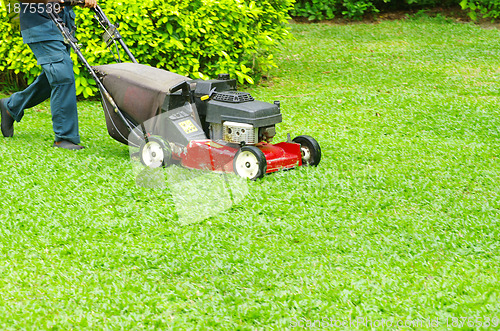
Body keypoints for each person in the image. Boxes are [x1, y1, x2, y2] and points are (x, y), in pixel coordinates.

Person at [0, 0, 97, 150]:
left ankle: (11, 106)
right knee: (62, 75)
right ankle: (64, 138)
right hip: (39, 22)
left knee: (51, 78)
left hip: (63, 23)